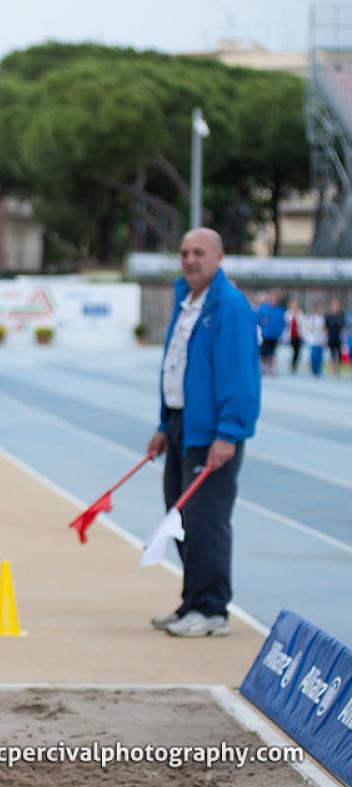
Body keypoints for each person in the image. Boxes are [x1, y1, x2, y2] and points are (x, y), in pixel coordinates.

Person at [145, 228, 259, 638]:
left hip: (212, 432)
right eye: (184, 252)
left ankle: (212, 609)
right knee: (178, 517)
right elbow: (175, 368)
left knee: (205, 519)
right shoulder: (186, 301)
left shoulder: (228, 307)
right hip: (180, 426)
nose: (190, 260)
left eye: (198, 252)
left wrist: (228, 432)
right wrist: (163, 424)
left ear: (219, 256)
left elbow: (240, 377)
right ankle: (193, 600)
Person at [255, 290, 285, 376]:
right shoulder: (264, 308)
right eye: (273, 299)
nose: (274, 301)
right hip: (265, 334)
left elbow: (282, 323)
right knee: (263, 352)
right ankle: (263, 367)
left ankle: (272, 368)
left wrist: (280, 333)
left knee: (272, 352)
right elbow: (258, 319)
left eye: (276, 299)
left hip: (274, 335)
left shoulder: (280, 310)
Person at [302, 303, 328, 378]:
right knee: (314, 356)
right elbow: (306, 328)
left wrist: (325, 337)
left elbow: (325, 329)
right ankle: (314, 370)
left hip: (321, 340)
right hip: (313, 340)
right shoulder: (311, 318)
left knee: (320, 357)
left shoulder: (323, 318)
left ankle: (318, 371)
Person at [324, 298, 346, 378]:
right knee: (333, 354)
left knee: (339, 354)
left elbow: (343, 326)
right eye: (334, 305)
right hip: (331, 337)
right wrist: (325, 338)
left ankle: (338, 369)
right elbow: (325, 327)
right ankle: (333, 370)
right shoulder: (328, 315)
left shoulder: (341, 315)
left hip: (339, 338)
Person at [286, 298, 303, 375]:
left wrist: (302, 333)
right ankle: (291, 364)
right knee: (292, 350)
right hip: (291, 336)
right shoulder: (287, 314)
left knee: (297, 351)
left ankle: (294, 364)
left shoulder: (300, 314)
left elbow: (303, 325)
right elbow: (286, 325)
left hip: (298, 336)